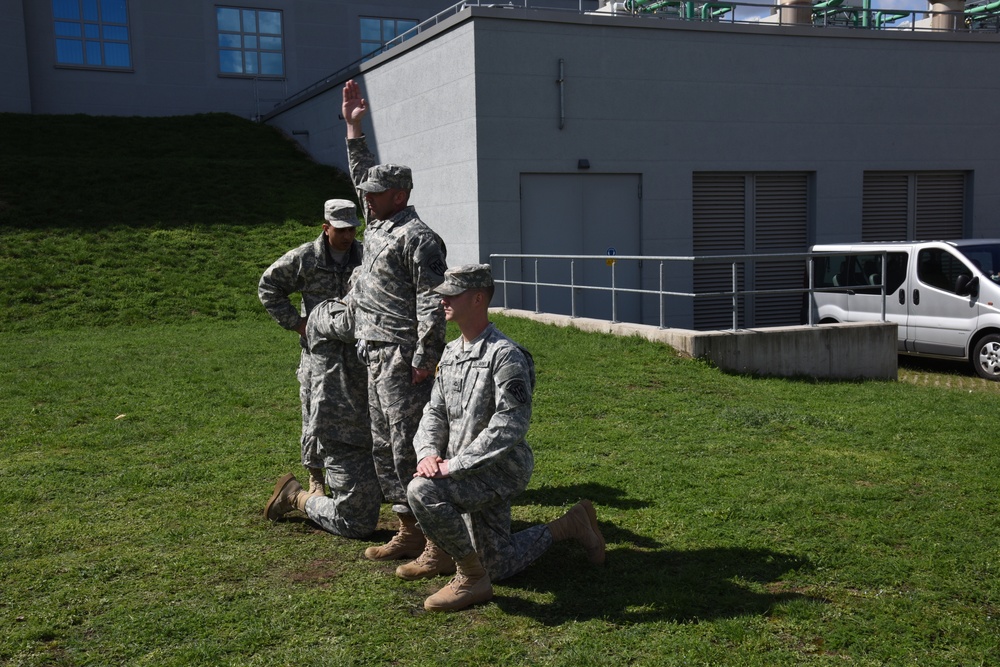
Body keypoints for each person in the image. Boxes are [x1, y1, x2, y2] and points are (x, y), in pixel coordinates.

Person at [403, 264, 606, 612]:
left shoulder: (505, 355)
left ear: (478, 298)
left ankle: (470, 577)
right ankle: (570, 525)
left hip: (498, 470)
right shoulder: (451, 353)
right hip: (461, 468)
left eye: (452, 294)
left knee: (422, 490)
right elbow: (434, 411)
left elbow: (510, 424)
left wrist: (455, 465)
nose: (443, 300)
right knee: (498, 563)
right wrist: (427, 452)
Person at [341, 78, 449, 560]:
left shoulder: (419, 238)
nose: (366, 197)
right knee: (383, 445)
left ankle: (434, 536)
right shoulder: (379, 222)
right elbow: (361, 174)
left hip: (404, 357)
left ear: (399, 195)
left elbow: (432, 300)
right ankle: (407, 526)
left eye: (376, 194)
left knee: (409, 446)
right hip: (373, 351)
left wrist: (426, 357)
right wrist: (353, 128)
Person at [260, 199, 380, 539]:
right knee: (315, 414)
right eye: (340, 230)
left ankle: (360, 479)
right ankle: (315, 480)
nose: (347, 236)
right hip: (318, 354)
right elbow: (269, 285)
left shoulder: (364, 255)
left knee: (361, 415)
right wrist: (298, 324)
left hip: (358, 352)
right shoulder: (306, 258)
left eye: (351, 229)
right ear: (325, 227)